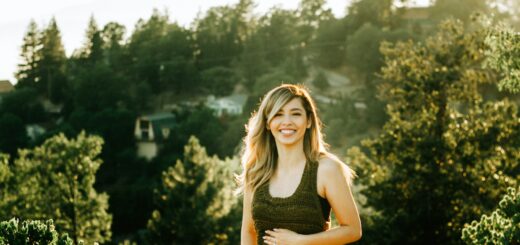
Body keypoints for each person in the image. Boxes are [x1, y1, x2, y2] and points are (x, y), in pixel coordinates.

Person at [238, 84, 362, 245]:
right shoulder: (256, 171)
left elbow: (353, 230)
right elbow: (249, 231)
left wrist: (300, 241)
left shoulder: (327, 169)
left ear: (309, 121)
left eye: (296, 114)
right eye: (278, 114)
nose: (287, 122)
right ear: (268, 123)